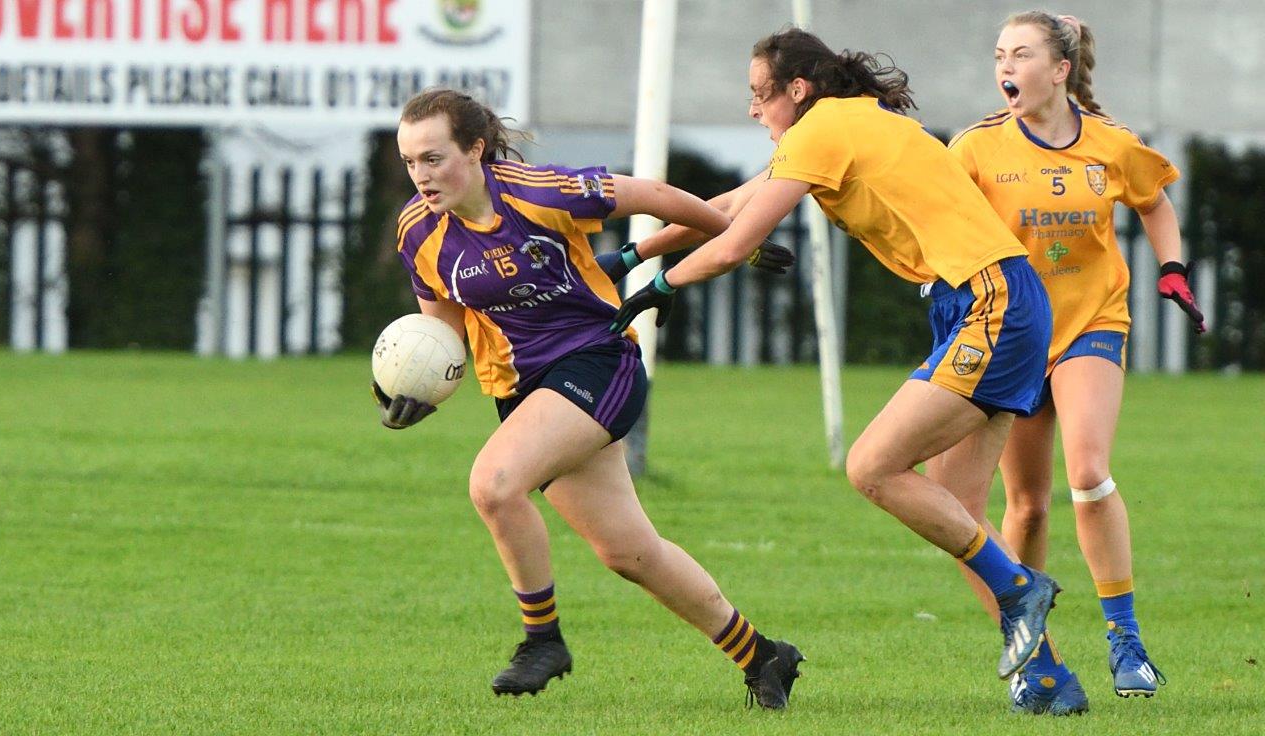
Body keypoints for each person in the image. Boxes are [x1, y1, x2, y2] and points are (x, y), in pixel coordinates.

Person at [611, 27, 1063, 690]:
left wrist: (659, 288)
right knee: (959, 505)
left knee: (873, 466)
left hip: (989, 301)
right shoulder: (840, 123)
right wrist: (631, 256)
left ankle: (1021, 590)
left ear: (798, 89)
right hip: (997, 299)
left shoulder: (820, 131)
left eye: (759, 96)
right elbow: (730, 207)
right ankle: (1049, 678)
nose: (753, 110)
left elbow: (737, 243)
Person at [374, 88, 804, 708]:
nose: (422, 176)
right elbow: (442, 335)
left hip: (599, 362)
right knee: (628, 552)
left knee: (494, 485)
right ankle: (763, 655)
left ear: (475, 149)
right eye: (411, 161)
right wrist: (414, 388)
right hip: (523, 391)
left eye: (434, 158)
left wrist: (740, 237)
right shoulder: (419, 233)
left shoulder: (538, 190)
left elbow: (656, 198)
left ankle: (541, 639)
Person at [948, 10, 1201, 706]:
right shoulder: (973, 148)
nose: (1005, 67)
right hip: (1015, 336)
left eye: (1021, 54)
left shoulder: (1113, 144)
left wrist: (1172, 267)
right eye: (999, 54)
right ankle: (1036, 656)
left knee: (1088, 473)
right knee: (1025, 508)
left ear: (1059, 69)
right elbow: (939, 220)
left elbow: (1153, 202)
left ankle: (1127, 641)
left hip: (1094, 323)